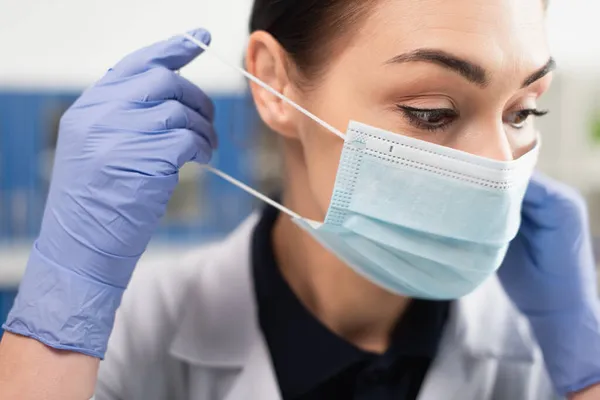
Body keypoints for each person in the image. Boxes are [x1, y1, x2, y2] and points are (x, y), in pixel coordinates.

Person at [0, 0, 599, 399]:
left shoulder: (544, 355)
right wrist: (55, 326)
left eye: (523, 111)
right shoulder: (129, 342)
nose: (500, 166)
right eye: (432, 112)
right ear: (276, 84)